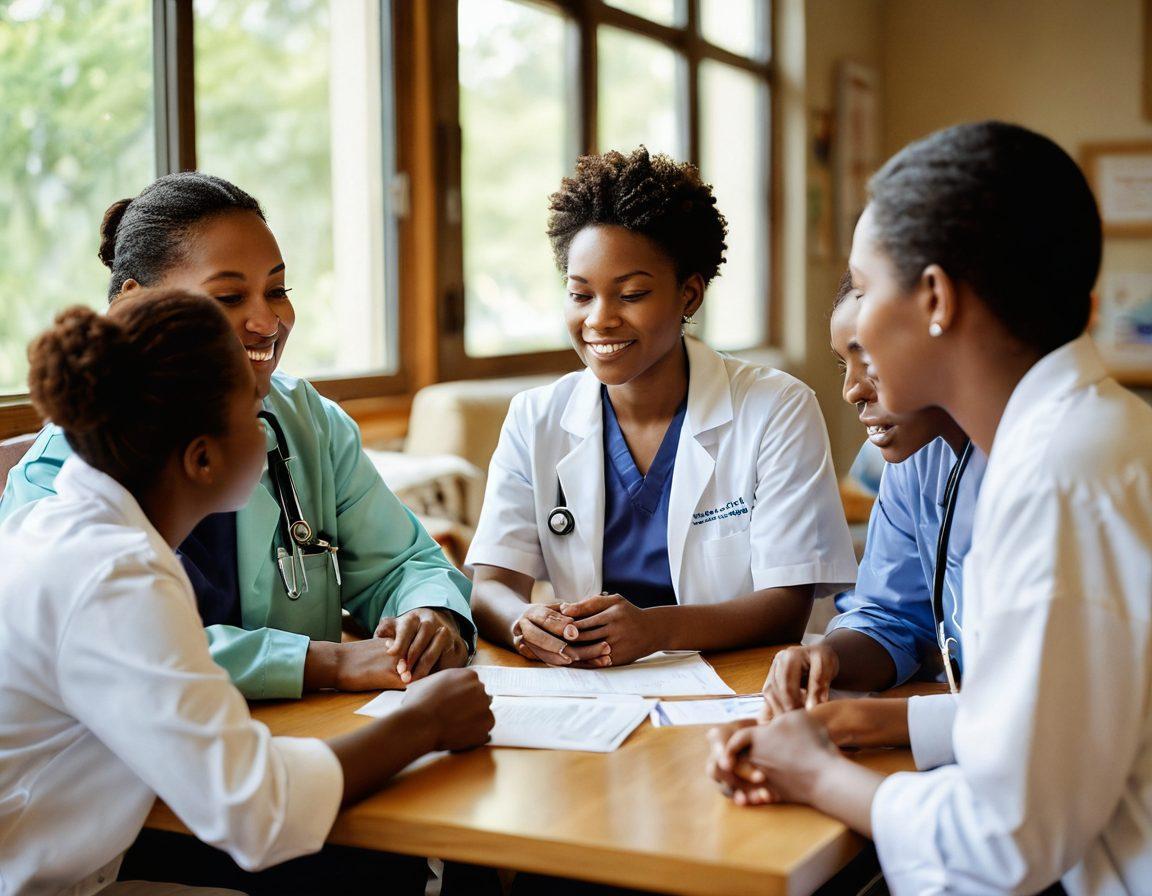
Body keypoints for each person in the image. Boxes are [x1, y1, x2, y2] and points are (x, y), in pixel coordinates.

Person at [710, 121, 1152, 894]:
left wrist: (815, 774)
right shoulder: (1096, 434)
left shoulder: (1056, 478)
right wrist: (866, 721)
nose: (857, 337)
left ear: (937, 299)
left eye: (867, 285)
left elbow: (1002, 843)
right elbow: (1075, 718)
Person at [0, 290, 494, 896]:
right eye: (255, 411)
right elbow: (252, 810)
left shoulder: (79, 523)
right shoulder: (113, 576)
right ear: (203, 458)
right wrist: (424, 723)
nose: (269, 429)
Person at [0, 173, 473, 700]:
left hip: (306, 738)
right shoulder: (52, 482)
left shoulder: (304, 419)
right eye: (228, 296)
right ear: (133, 307)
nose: (268, 321)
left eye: (277, 290)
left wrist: (428, 615)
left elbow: (403, 563)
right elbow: (119, 650)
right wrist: (324, 662)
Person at [468, 147, 857, 667]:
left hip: (734, 683)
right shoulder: (534, 418)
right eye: (581, 295)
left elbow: (787, 605)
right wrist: (525, 622)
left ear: (689, 295)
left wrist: (655, 630)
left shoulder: (777, 408)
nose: (599, 320)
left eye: (631, 295)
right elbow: (492, 584)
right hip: (588, 688)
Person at [760, 272, 984, 764]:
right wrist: (831, 657)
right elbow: (892, 617)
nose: (851, 390)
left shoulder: (1040, 470)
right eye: (845, 363)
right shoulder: (915, 462)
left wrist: (869, 721)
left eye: (869, 357)